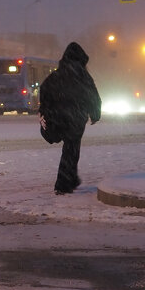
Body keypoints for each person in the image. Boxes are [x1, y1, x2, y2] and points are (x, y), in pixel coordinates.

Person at [37, 42, 102, 195]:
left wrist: (46, 111)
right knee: (71, 150)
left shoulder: (56, 75)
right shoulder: (83, 76)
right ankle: (64, 183)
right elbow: (93, 96)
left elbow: (44, 90)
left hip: (57, 118)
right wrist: (95, 114)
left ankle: (70, 179)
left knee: (69, 149)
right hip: (75, 118)